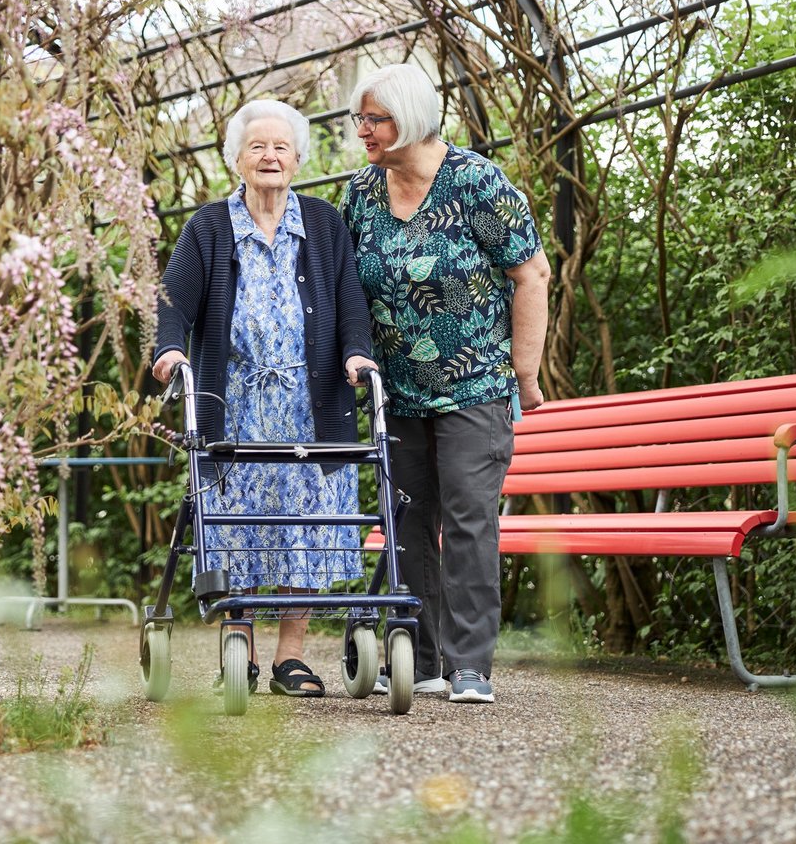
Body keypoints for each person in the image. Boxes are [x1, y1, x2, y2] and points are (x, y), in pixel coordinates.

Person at [153, 99, 380, 698]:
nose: (270, 156)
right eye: (257, 146)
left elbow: (351, 303)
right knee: (239, 525)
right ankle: (240, 647)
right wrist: (169, 351)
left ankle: (291, 657)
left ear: (299, 158)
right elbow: (172, 301)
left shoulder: (326, 225)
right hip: (237, 401)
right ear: (237, 158)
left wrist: (358, 354)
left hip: (313, 402)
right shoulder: (208, 226)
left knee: (305, 525)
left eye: (281, 147)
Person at [339, 63, 550, 704]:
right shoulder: (361, 193)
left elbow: (532, 275)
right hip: (395, 392)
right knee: (407, 522)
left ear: (409, 117)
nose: (363, 130)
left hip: (474, 387)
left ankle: (470, 666)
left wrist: (525, 372)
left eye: (374, 119)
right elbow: (348, 289)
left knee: (467, 520)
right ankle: (424, 659)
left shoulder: (475, 182)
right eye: (360, 119)